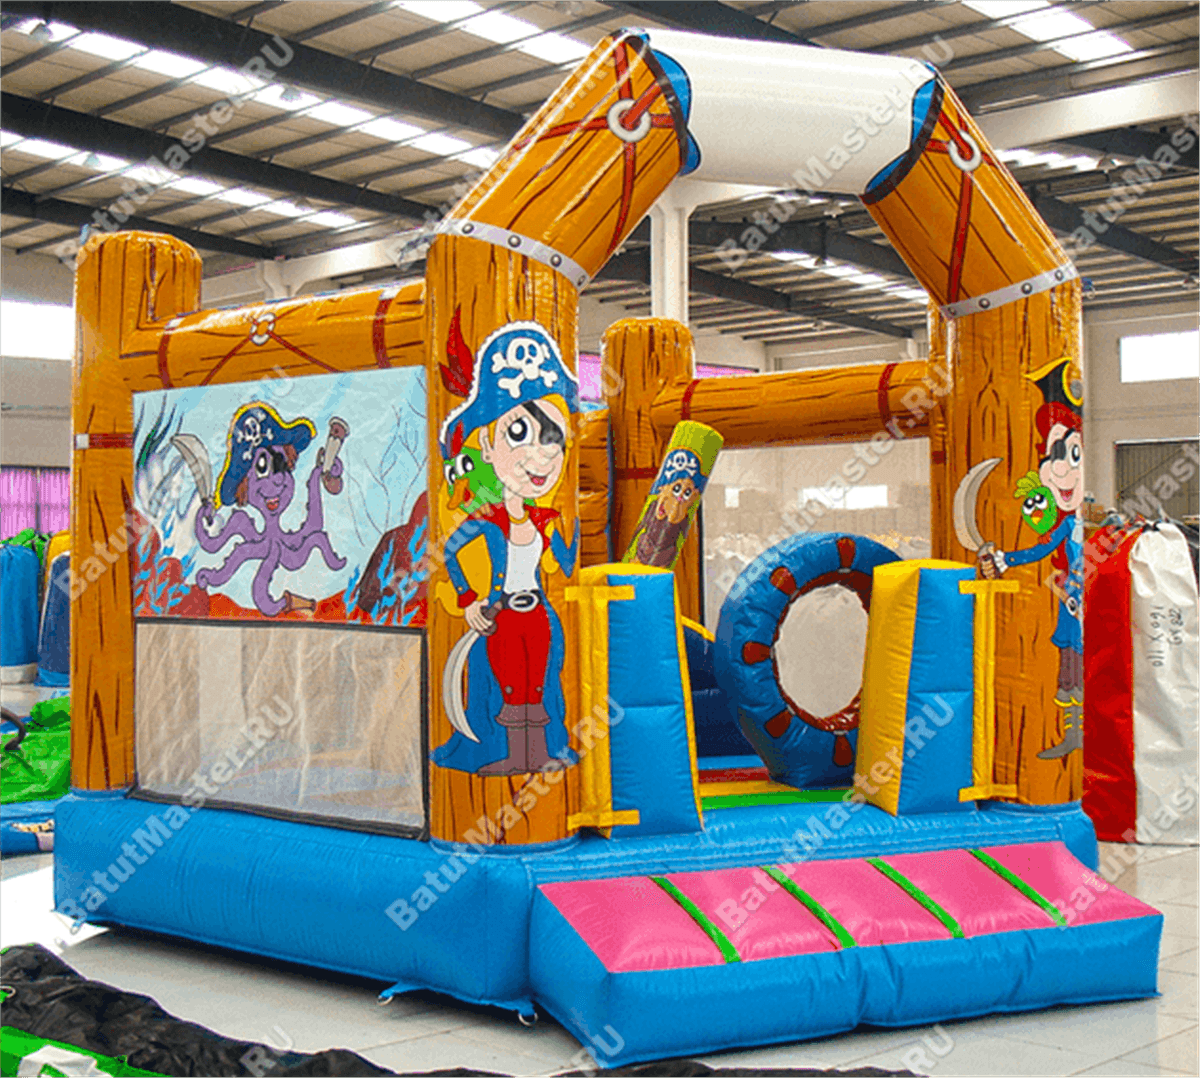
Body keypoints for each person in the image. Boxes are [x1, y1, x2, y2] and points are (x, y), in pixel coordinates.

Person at [431, 317, 579, 776]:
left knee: (539, 681)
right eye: (519, 434)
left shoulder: (543, 519)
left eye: (552, 440)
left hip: (538, 611)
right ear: (488, 446)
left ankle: (539, 754)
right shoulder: (487, 518)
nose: (540, 454)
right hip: (502, 612)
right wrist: (467, 599)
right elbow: (450, 551)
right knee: (509, 682)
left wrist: (572, 535)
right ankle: (512, 755)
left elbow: (565, 564)